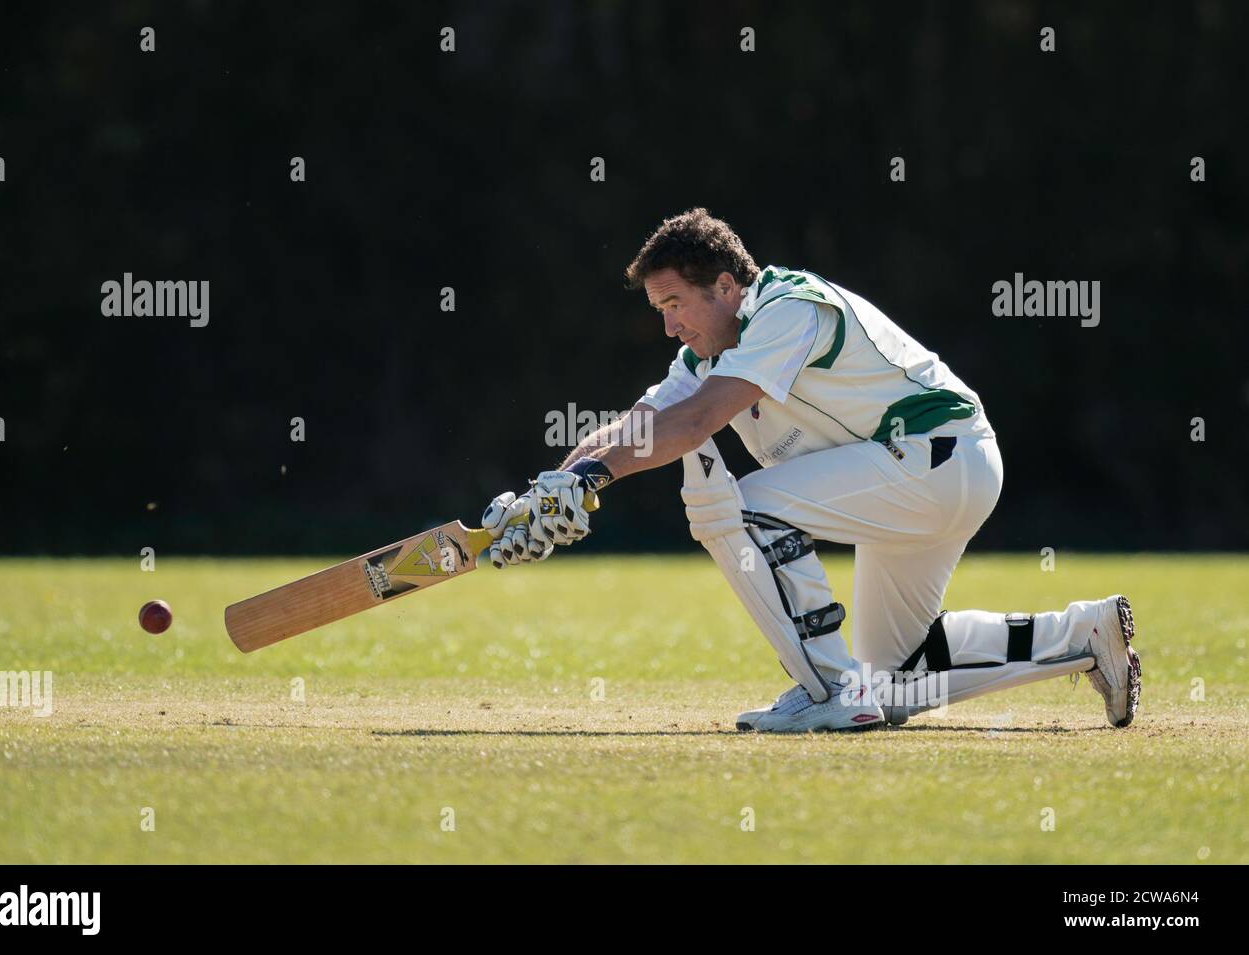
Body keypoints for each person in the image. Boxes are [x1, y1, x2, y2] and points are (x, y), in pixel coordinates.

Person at [481, 208, 1140, 733]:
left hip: (939, 455)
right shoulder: (708, 353)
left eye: (676, 304)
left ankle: (831, 688)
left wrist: (592, 479)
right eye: (660, 310)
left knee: (744, 507)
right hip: (927, 473)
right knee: (901, 676)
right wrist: (553, 487)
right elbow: (636, 424)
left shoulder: (787, 308)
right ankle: (1085, 631)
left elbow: (689, 427)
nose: (669, 326)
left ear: (726, 287)